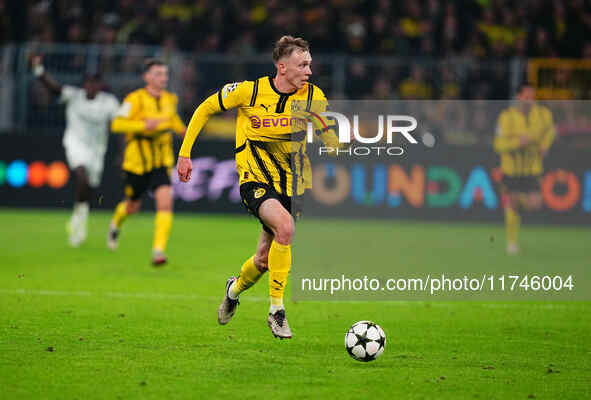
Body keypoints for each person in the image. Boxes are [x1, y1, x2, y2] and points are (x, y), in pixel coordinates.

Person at [177, 36, 340, 339]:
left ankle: (234, 289)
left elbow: (328, 135)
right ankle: (276, 310)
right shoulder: (249, 91)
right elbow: (204, 109)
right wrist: (185, 153)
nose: (309, 71)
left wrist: (342, 143)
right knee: (286, 228)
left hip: (294, 185)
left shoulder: (314, 96)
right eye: (302, 65)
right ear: (282, 67)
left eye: (310, 65)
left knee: (264, 260)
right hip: (255, 179)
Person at [31, 55, 120, 247]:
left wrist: (123, 150)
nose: (91, 85)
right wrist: (38, 69)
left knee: (90, 189)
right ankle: (78, 220)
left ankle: (79, 217)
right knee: (81, 174)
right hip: (75, 143)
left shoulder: (109, 102)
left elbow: (121, 126)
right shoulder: (74, 96)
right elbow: (54, 88)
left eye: (95, 82)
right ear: (84, 83)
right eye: (88, 81)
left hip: (97, 149)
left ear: (100, 85)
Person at [107, 59, 186, 266]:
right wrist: (143, 125)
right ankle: (115, 223)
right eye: (159, 74)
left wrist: (185, 131)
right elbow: (117, 123)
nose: (163, 78)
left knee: (165, 203)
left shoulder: (170, 99)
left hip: (161, 161)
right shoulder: (134, 99)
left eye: (165, 74)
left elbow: (173, 121)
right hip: (137, 163)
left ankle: (158, 251)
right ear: (147, 77)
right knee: (132, 206)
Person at [494, 85, 555, 254]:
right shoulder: (506, 117)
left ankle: (514, 201)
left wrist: (544, 145)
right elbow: (498, 145)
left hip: (532, 169)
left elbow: (550, 132)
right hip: (511, 170)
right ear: (519, 97)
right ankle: (512, 243)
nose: (530, 101)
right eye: (526, 97)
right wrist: (517, 143)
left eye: (532, 97)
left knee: (535, 203)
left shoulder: (543, 115)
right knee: (512, 209)